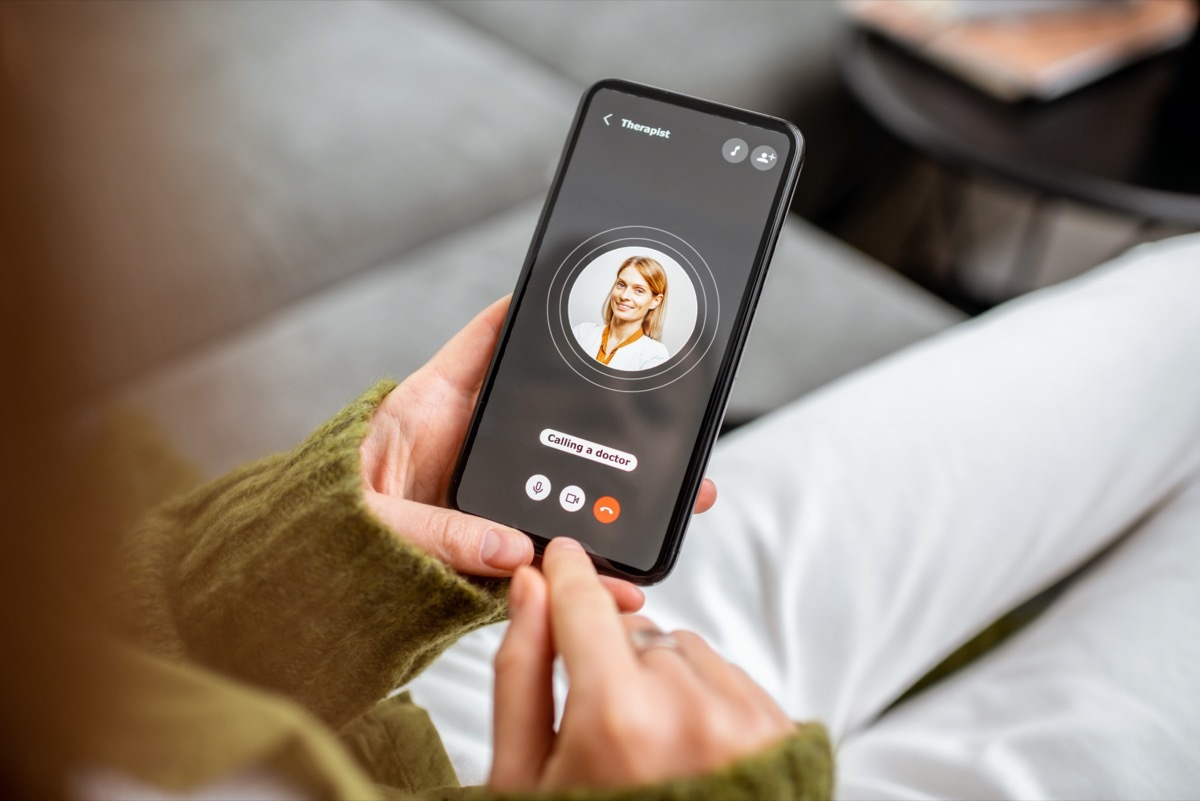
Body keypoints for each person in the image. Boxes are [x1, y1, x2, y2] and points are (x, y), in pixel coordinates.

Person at [22, 232, 1200, 799]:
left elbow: (90, 663)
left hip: (414, 712)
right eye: (627, 283)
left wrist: (333, 550)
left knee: (1175, 311)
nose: (634, 292)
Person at [573, 255, 672, 370]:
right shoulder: (582, 332)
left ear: (655, 301)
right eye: (621, 284)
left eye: (639, 290)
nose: (624, 296)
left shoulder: (654, 355)